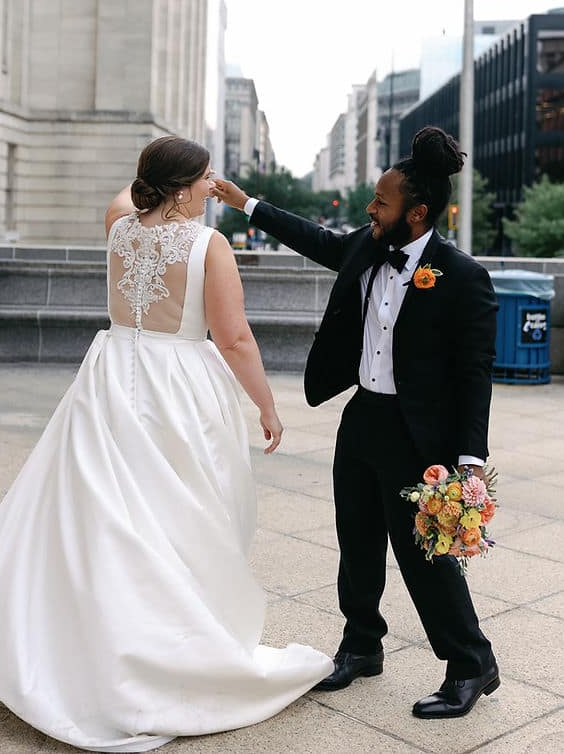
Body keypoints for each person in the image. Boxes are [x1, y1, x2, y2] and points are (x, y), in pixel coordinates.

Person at [0, 136, 332, 752]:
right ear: (187, 186)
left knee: (105, 512)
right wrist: (266, 404)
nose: (211, 188)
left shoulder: (119, 230)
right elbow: (237, 337)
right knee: (178, 512)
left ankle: (90, 640)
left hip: (113, 373)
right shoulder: (209, 245)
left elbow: (126, 198)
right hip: (179, 386)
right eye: (204, 180)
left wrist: (159, 179)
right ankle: (163, 648)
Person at [213, 126, 500, 720]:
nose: (371, 209)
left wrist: (469, 458)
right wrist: (247, 205)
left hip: (418, 435)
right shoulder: (368, 246)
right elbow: (312, 238)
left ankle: (472, 664)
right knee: (357, 540)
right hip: (362, 418)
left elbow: (475, 373)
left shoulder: (463, 277)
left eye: (382, 202)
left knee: (424, 554)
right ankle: (362, 644)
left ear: (417, 214)